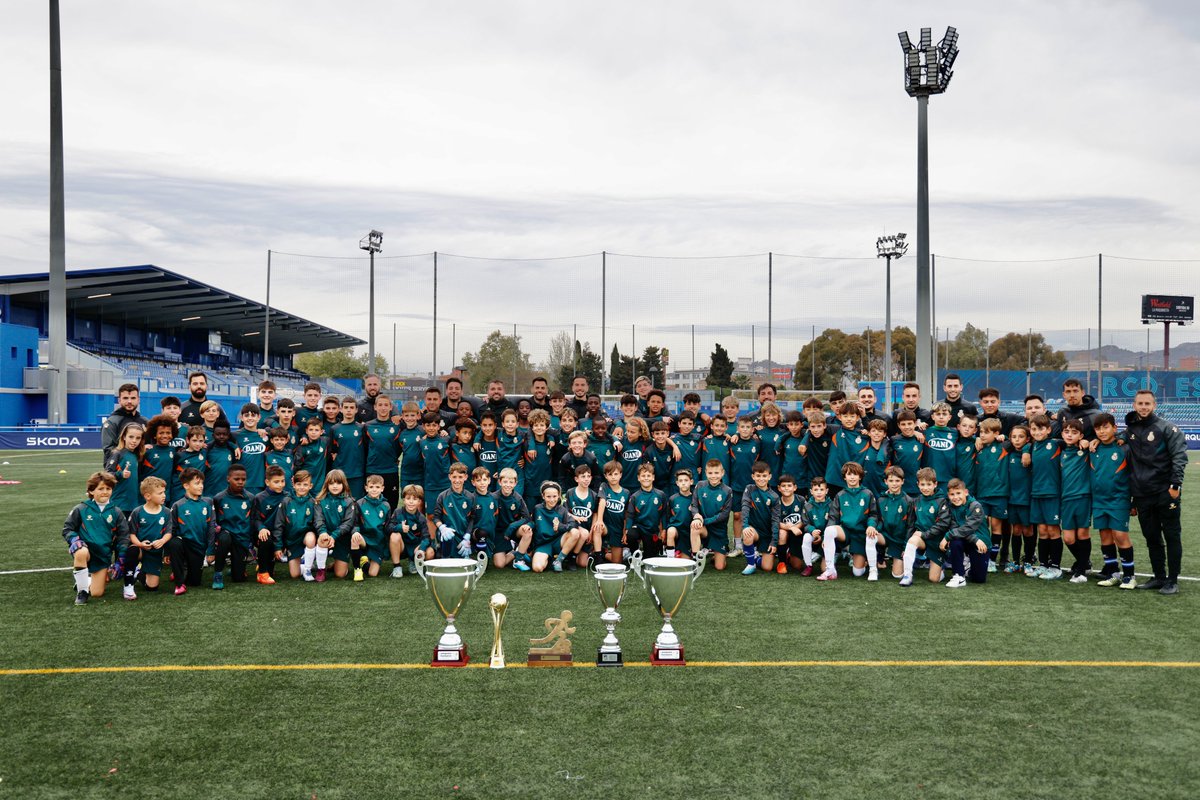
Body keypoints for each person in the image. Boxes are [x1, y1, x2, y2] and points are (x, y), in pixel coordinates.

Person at [1122, 390, 1187, 595]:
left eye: (1147, 403)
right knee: (1152, 537)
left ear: (1154, 405)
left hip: (1164, 491)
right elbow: (1115, 439)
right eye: (1140, 403)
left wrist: (1175, 485)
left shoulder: (1167, 428)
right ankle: (1159, 577)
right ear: (1134, 405)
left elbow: (1179, 456)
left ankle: (1172, 580)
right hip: (1142, 494)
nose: (1143, 407)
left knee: (1172, 536)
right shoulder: (1130, 430)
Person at [62, 471, 132, 605]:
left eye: (108, 488)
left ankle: (84, 581)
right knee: (81, 552)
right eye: (100, 489)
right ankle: (82, 592)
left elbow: (124, 536)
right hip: (86, 550)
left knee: (97, 593)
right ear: (91, 491)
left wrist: (121, 559)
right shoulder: (81, 508)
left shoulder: (116, 512)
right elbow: (68, 529)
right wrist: (74, 540)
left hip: (103, 555)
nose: (105, 492)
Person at [1089, 413, 1138, 589]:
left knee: (1120, 535)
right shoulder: (1093, 449)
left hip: (1119, 499)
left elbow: (1134, 475)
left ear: (1114, 428)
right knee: (1105, 536)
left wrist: (1134, 501)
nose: (1102, 431)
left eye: (1106, 427)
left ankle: (1130, 576)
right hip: (1099, 501)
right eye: (1098, 428)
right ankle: (1112, 573)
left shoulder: (1124, 448)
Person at [817, 462, 880, 582]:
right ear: (844, 477)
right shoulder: (840, 495)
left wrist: (871, 526)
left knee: (858, 573)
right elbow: (833, 517)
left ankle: (866, 562)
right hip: (845, 531)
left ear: (860, 477)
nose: (852, 477)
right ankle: (830, 570)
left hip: (860, 533)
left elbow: (873, 514)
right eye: (849, 474)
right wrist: (825, 538)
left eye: (855, 474)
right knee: (829, 530)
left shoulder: (867, 494)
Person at [124, 476, 185, 598]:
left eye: (164, 492)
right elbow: (132, 534)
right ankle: (128, 585)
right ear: (148, 496)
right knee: (132, 550)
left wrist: (162, 541)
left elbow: (169, 532)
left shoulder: (166, 512)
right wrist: (140, 544)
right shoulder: (137, 512)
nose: (164, 496)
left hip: (155, 552)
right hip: (141, 549)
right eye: (160, 493)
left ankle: (139, 574)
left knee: (152, 587)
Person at [212, 464, 271, 586]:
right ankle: (218, 573)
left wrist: (261, 528)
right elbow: (214, 521)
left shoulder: (251, 498)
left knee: (238, 578)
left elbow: (255, 518)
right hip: (227, 536)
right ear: (228, 479)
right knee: (224, 538)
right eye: (236, 479)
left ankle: (237, 566)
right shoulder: (219, 498)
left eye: (243, 479)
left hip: (242, 538)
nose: (240, 482)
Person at [929, 478, 989, 588]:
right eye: (952, 494)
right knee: (955, 541)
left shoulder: (975, 506)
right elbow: (955, 527)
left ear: (966, 492)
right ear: (948, 495)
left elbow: (967, 528)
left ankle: (968, 567)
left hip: (980, 542)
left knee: (979, 579)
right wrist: (951, 537)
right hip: (967, 539)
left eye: (958, 493)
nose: (955, 497)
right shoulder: (950, 507)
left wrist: (947, 536)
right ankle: (958, 576)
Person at [269, 470, 327, 581]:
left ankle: (307, 570)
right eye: (299, 484)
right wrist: (278, 547)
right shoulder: (286, 502)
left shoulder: (313, 502)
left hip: (306, 538)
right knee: (294, 575)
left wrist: (322, 534)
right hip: (292, 541)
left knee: (310, 538)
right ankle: (306, 563)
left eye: (305, 485)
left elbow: (318, 521)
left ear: (310, 486)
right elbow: (278, 525)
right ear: (294, 485)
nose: (301, 487)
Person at [899, 468, 950, 586]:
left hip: (936, 542)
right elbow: (911, 525)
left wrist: (924, 534)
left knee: (934, 579)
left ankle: (940, 568)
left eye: (929, 484)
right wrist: (905, 546)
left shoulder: (942, 501)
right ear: (918, 484)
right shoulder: (916, 501)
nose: (925, 488)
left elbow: (943, 524)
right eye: (922, 484)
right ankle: (907, 575)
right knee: (913, 540)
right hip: (922, 539)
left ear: (935, 484)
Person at [1027, 414, 1064, 579]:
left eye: (1041, 429)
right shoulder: (1032, 446)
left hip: (1052, 493)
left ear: (1049, 429)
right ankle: (1043, 565)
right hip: (1036, 493)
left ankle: (1055, 567)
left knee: (1053, 530)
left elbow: (1074, 442)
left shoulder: (1056, 444)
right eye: (1033, 429)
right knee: (1042, 531)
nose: (1037, 432)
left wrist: (1086, 442)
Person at [169, 467, 217, 592]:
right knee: (175, 543)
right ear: (186, 485)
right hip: (184, 545)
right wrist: (167, 553)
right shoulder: (178, 505)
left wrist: (210, 550)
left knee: (194, 582)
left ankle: (182, 569)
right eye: (197, 483)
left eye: (202, 483)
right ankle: (178, 574)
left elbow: (211, 527)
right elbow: (172, 530)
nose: (201, 486)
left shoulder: (208, 502)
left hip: (199, 548)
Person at [1059, 419, 1094, 583]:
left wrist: (1090, 441)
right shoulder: (1061, 451)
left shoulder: (1085, 450)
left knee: (1082, 534)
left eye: (1074, 433)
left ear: (1081, 435)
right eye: (1067, 432)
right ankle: (1084, 562)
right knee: (1068, 538)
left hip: (1082, 497)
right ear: (1062, 434)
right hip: (1066, 499)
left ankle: (1081, 572)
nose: (1070, 435)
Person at [974, 418, 1011, 570]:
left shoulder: (1003, 446)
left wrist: (1005, 437)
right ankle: (981, 556)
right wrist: (976, 438)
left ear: (996, 433)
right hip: (982, 494)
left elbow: (1017, 441)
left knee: (996, 527)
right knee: (982, 526)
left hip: (999, 494)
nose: (982, 435)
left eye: (986, 432)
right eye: (981, 432)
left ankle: (992, 560)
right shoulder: (978, 448)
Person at [530, 480, 584, 573]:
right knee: (537, 568)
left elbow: (573, 524)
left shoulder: (562, 510)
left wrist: (560, 526)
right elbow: (531, 523)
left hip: (558, 541)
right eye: (548, 496)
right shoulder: (537, 508)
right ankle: (549, 560)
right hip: (543, 544)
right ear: (543, 496)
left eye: (554, 496)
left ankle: (558, 560)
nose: (552, 500)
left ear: (559, 496)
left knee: (575, 532)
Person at [430, 463, 479, 560]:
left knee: (463, 563)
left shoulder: (471, 497)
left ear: (465, 477)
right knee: (448, 537)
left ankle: (465, 551)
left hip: (463, 535)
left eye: (460, 477)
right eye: (454, 477)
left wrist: (467, 536)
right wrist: (442, 528)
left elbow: (472, 518)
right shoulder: (442, 496)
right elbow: (436, 517)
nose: (457, 480)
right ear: (449, 477)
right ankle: (444, 557)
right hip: (447, 534)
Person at [689, 459, 732, 571]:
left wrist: (704, 520)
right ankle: (696, 561)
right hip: (704, 528)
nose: (713, 476)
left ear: (722, 473)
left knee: (720, 567)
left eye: (716, 473)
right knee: (695, 526)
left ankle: (718, 554)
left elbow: (724, 515)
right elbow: (694, 505)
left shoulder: (727, 490)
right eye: (710, 473)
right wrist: (696, 516)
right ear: (706, 473)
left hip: (719, 531)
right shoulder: (700, 485)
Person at [739, 462, 780, 575]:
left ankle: (755, 558)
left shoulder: (774, 497)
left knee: (767, 568)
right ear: (753, 476)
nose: (761, 479)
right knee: (748, 534)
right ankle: (751, 564)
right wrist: (745, 526)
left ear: (769, 477)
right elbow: (745, 507)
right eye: (758, 476)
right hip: (754, 530)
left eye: (764, 476)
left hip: (767, 534)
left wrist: (774, 541)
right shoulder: (749, 489)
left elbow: (775, 520)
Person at [349, 475, 392, 580]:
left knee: (372, 573)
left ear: (382, 488)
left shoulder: (386, 505)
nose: (374, 489)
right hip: (365, 539)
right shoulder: (359, 503)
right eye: (371, 487)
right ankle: (357, 569)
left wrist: (386, 548)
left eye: (377, 487)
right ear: (366, 488)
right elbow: (355, 522)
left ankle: (364, 562)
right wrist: (356, 532)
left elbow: (388, 527)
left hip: (378, 542)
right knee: (355, 538)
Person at [318, 470, 359, 580]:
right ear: (327, 485)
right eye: (331, 483)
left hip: (342, 538)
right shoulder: (320, 500)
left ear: (344, 484)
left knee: (340, 574)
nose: (335, 486)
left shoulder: (349, 501)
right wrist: (323, 533)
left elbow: (348, 523)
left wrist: (334, 536)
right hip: (327, 535)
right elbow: (319, 520)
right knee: (321, 538)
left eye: (338, 483)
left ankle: (338, 563)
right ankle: (320, 569)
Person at [252, 465, 290, 583]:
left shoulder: (288, 496)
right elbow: (255, 518)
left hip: (280, 534)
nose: (280, 485)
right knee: (266, 538)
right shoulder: (259, 498)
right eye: (276, 482)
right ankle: (262, 573)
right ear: (267, 482)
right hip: (265, 535)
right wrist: (261, 528)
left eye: (282, 481)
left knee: (271, 570)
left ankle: (264, 562)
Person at [364, 394, 403, 509]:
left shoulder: (397, 426)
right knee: (372, 505)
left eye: (386, 405)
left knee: (391, 505)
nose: (383, 408)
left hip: (391, 471)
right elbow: (365, 447)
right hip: (372, 470)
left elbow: (400, 446)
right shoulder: (367, 426)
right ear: (375, 407)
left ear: (391, 407)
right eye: (380, 405)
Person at [1006, 425, 1035, 573]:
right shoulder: (1009, 454)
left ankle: (1028, 561)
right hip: (1012, 499)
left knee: (1028, 531)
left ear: (1028, 439)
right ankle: (1015, 561)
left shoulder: (1031, 453)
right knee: (1016, 530)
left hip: (1027, 499)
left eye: (1021, 436)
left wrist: (1027, 449)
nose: (1017, 440)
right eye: (1014, 437)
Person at [387, 483, 428, 577]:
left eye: (414, 499)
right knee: (394, 535)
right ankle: (397, 566)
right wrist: (399, 528)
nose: (411, 502)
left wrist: (421, 547)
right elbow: (388, 528)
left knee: (430, 552)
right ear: (404, 500)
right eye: (408, 498)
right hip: (402, 546)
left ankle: (413, 560)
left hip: (415, 547)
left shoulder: (421, 518)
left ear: (419, 501)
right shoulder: (397, 512)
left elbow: (427, 537)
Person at [594, 461, 631, 566]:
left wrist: (624, 531)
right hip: (606, 525)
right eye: (610, 474)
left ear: (620, 475)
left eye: (616, 474)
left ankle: (604, 554)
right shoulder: (604, 486)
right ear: (605, 476)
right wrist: (599, 520)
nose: (613, 477)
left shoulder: (626, 493)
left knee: (617, 562)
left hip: (618, 528)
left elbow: (626, 515)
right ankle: (598, 558)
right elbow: (602, 501)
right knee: (597, 528)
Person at [627, 463, 666, 559]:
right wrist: (627, 531)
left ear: (653, 477)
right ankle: (635, 557)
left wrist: (663, 530)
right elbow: (630, 516)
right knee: (631, 535)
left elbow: (664, 514)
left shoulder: (660, 495)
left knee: (649, 559)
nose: (646, 478)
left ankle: (648, 553)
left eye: (648, 475)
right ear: (638, 478)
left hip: (652, 530)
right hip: (639, 527)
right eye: (643, 476)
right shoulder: (635, 496)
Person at [330, 397, 367, 498]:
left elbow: (367, 449)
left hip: (357, 473)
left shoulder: (361, 428)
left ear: (356, 410)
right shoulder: (334, 429)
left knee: (356, 503)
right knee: (340, 502)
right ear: (341, 409)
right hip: (340, 473)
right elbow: (333, 451)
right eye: (346, 407)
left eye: (351, 407)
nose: (349, 410)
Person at [102, 384, 149, 463]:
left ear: (138, 400)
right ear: (119, 400)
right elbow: (109, 450)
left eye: (133, 398)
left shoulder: (145, 421)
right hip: (120, 468)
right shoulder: (112, 422)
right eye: (125, 398)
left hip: (142, 469)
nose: (129, 401)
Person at [104, 423, 144, 514]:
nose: (134, 441)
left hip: (133, 502)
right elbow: (107, 474)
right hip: (119, 502)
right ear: (124, 437)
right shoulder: (117, 453)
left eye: (138, 438)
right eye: (131, 437)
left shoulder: (137, 455)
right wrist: (121, 474)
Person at [233, 404, 268, 494]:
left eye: (253, 415)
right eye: (246, 415)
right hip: (241, 484)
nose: (250, 418)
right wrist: (234, 446)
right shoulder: (235, 435)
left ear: (259, 417)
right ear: (241, 418)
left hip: (260, 484)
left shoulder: (264, 436)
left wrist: (267, 430)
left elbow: (281, 433)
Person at [921, 403, 958, 489]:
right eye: (938, 414)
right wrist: (916, 431)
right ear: (933, 416)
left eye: (944, 414)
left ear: (949, 417)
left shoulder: (956, 433)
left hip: (948, 478)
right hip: (929, 479)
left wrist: (977, 438)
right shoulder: (925, 432)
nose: (941, 417)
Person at [775, 474, 804, 574]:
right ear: (779, 488)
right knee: (782, 533)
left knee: (797, 566)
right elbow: (775, 521)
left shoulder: (801, 500)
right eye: (783, 486)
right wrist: (791, 528)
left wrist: (795, 527)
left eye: (789, 485)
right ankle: (781, 562)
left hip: (798, 533)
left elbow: (805, 519)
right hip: (784, 531)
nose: (786, 488)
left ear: (795, 487)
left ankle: (788, 553)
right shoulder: (776, 502)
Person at [665, 468, 697, 558]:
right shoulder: (672, 499)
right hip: (677, 532)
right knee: (671, 530)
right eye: (680, 481)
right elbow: (668, 517)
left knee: (686, 562)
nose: (683, 483)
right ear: (677, 483)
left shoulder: (695, 498)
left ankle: (692, 552)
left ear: (691, 482)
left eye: (686, 480)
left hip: (690, 532)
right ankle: (670, 558)